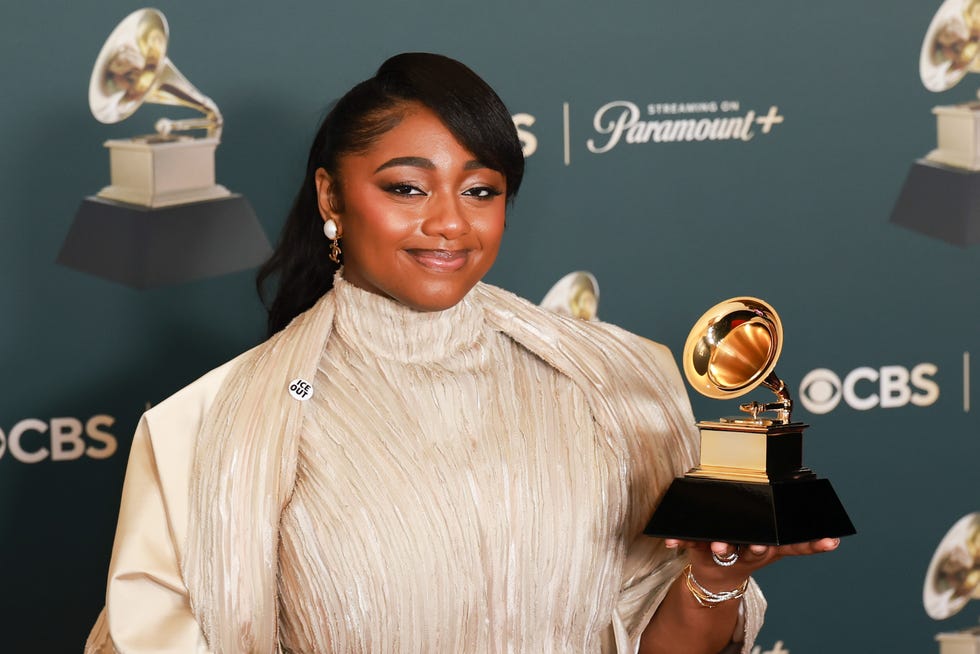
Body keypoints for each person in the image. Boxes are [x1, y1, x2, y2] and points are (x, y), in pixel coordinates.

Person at [85, 52, 838, 654]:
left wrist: (715, 578)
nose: (450, 223)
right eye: (407, 189)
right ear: (331, 196)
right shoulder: (208, 428)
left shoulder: (620, 384)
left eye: (480, 191)